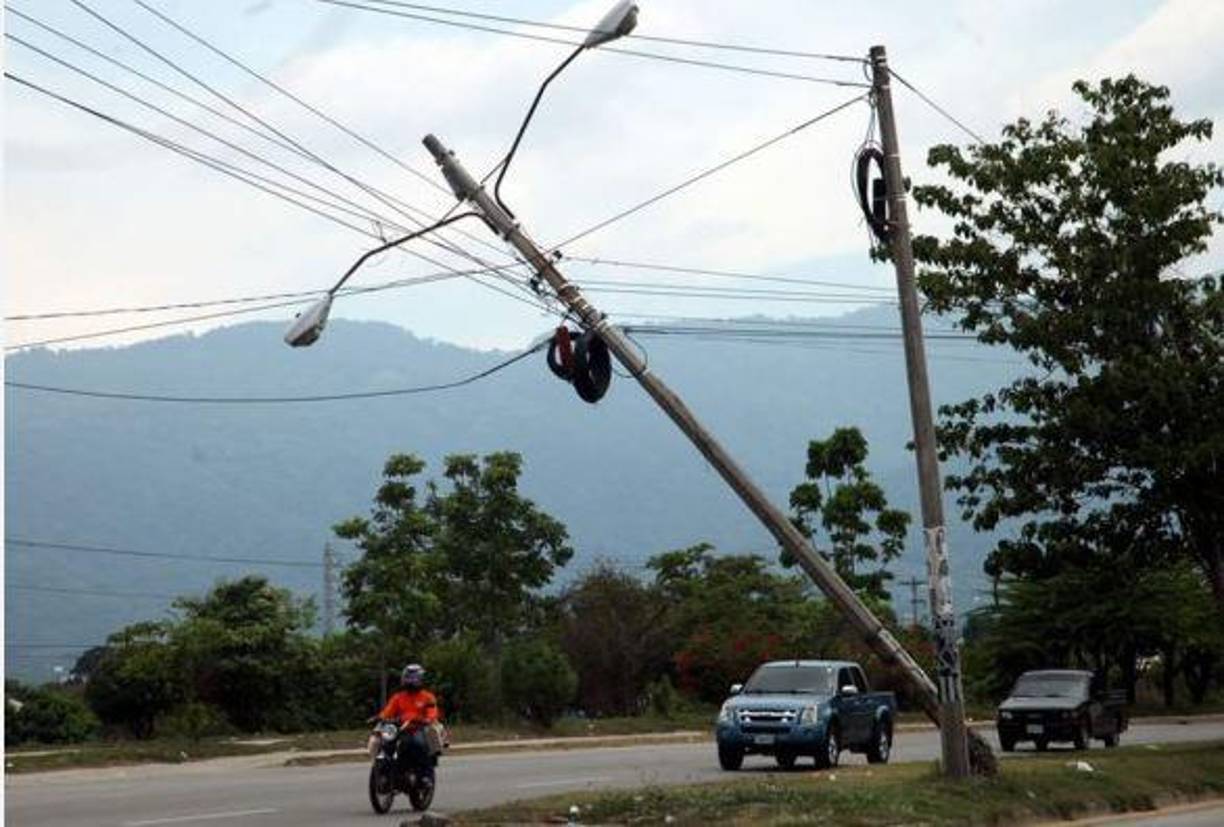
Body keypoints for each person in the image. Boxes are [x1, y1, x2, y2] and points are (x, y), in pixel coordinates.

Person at [376, 663, 440, 787]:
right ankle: (384, 775)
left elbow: (432, 712)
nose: (410, 681)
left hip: (418, 728)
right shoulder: (398, 697)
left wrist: (428, 719)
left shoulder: (427, 697)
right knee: (385, 744)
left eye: (414, 678)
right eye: (408, 677)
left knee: (419, 744)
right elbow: (388, 711)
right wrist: (380, 717)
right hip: (400, 729)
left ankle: (425, 776)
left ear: (420, 679)